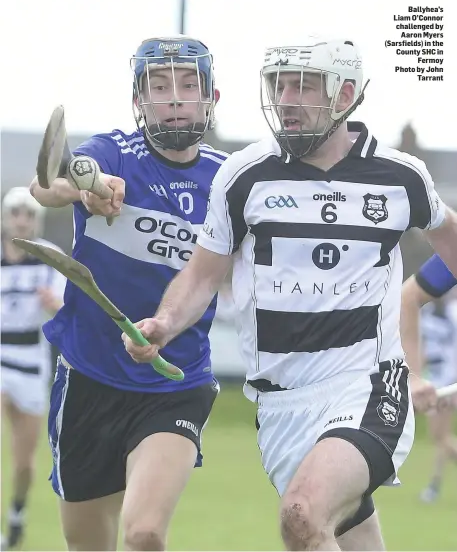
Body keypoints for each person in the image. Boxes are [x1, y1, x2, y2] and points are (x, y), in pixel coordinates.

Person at [123, 36, 457, 551]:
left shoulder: (399, 177)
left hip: (365, 383)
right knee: (340, 534)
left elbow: (451, 240)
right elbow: (201, 276)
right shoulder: (244, 176)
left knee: (303, 514)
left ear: (345, 94)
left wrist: (413, 371)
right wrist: (165, 323)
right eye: (279, 86)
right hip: (280, 404)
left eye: (303, 87)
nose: (286, 100)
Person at [29, 36, 226, 551]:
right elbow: (46, 185)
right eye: (159, 87)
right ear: (140, 100)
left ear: (212, 97)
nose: (175, 97)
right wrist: (86, 191)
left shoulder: (229, 180)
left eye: (189, 85)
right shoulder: (113, 151)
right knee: (89, 544)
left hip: (174, 382)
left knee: (143, 533)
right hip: (90, 376)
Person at [1, 187, 65, 549]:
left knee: (24, 462)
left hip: (32, 360)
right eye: (15, 213)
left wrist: (55, 303)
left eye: (28, 214)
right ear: (6, 218)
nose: (21, 220)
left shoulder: (48, 258)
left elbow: (69, 309)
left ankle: (17, 514)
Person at [401, 255, 457, 503]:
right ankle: (434, 486)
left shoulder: (452, 314)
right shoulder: (426, 313)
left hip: (446, 382)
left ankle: (433, 487)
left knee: (441, 437)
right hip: (437, 379)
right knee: (441, 438)